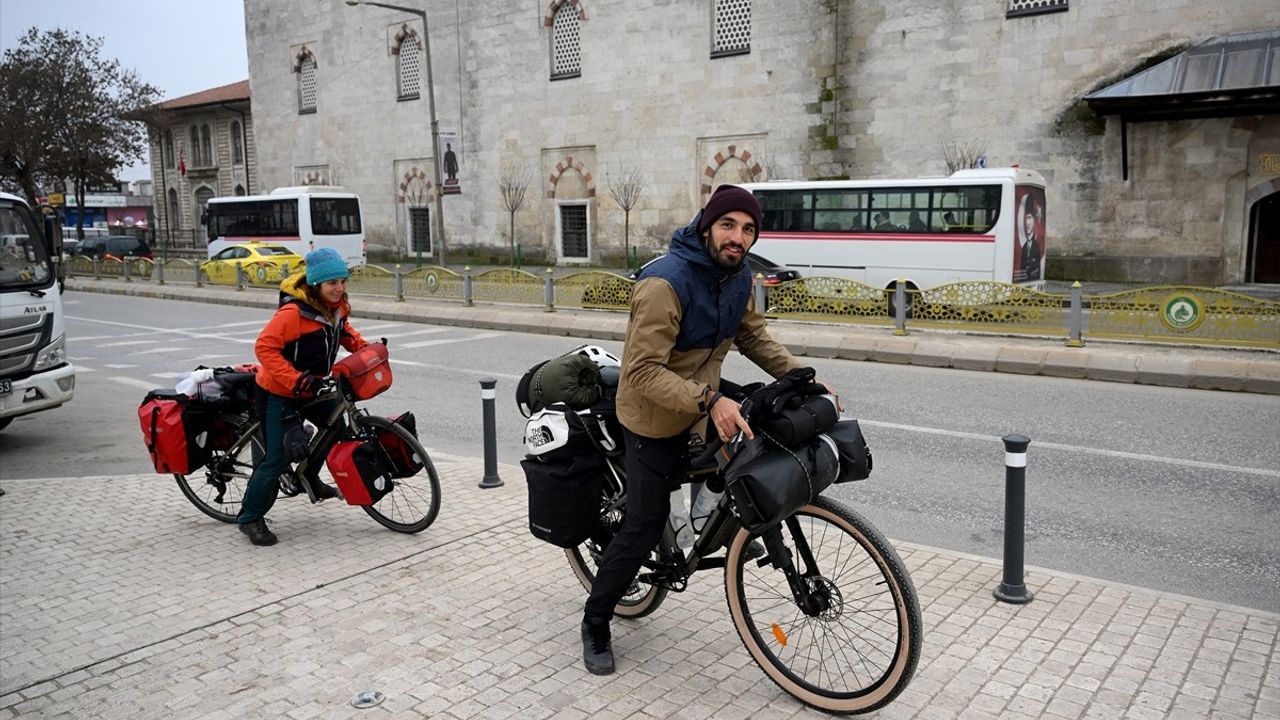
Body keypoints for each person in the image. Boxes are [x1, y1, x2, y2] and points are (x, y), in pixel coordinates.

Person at [580, 184, 838, 675]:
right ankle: (595, 621)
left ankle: (716, 531)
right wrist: (710, 399)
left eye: (748, 229)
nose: (738, 237)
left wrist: (801, 376)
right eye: (728, 225)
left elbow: (753, 337)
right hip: (653, 416)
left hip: (702, 402)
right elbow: (641, 373)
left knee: (748, 454)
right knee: (641, 524)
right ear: (707, 226)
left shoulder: (737, 275)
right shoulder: (664, 284)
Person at [237, 247, 369, 546]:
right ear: (316, 284)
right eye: (332, 282)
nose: (339, 288)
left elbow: (342, 331)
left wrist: (364, 348)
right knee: (277, 457)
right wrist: (295, 380)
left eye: (342, 280)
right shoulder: (293, 313)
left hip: (312, 387)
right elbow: (264, 348)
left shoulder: (336, 306)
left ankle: (309, 476)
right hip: (278, 392)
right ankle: (249, 519)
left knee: (336, 425)